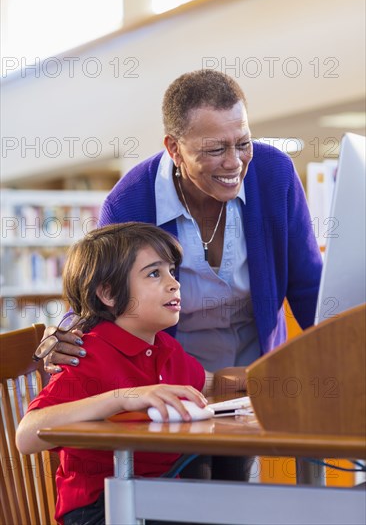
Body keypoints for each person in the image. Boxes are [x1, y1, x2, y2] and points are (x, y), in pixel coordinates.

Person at [39, 69, 322, 479]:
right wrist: (67, 331)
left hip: (244, 375)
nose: (233, 162)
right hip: (169, 378)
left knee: (236, 489)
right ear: (173, 148)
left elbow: (309, 284)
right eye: (213, 149)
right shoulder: (131, 200)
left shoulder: (274, 175)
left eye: (243, 144)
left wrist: (339, 358)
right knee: (185, 484)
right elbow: (102, 289)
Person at [17, 222, 246, 525]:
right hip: (99, 509)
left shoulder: (166, 347)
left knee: (227, 469)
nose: (173, 283)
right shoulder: (87, 354)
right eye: (154, 273)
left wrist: (274, 376)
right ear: (109, 294)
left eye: (172, 271)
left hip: (154, 494)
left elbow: (214, 383)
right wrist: (122, 398)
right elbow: (27, 436)